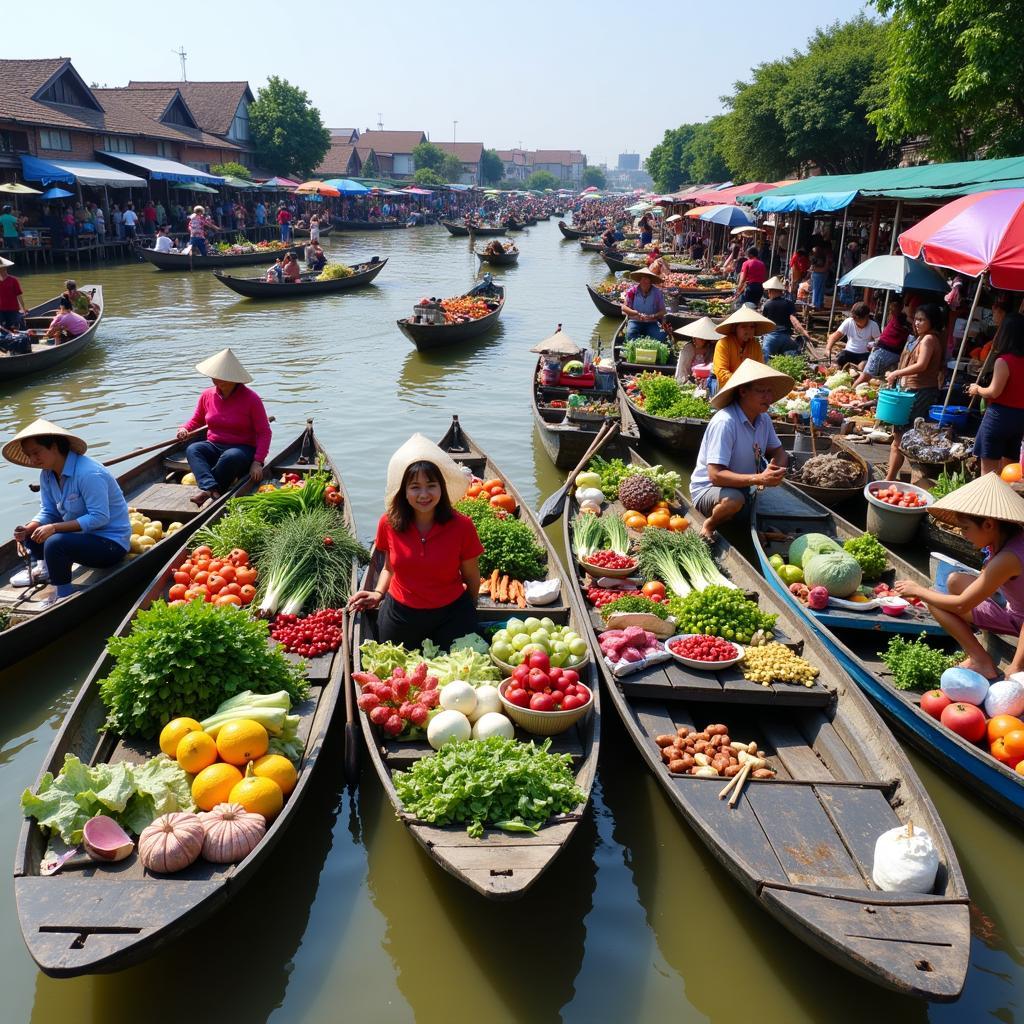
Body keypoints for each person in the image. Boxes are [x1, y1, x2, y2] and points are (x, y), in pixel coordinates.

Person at [347, 434, 482, 649]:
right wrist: (378, 593)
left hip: (451, 613)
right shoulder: (388, 523)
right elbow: (389, 569)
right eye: (415, 487)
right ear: (404, 492)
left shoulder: (462, 526)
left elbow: (472, 577)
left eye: (431, 485)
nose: (424, 494)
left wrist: (469, 609)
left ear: (442, 488)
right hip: (401, 612)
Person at [894, 474, 1024, 681]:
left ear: (989, 525)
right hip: (1012, 604)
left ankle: (980, 660)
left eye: (965, 528)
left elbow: (962, 605)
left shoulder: (1008, 558)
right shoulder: (1009, 539)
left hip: (1020, 619)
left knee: (935, 599)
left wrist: (918, 591)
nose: (963, 534)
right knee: (955, 580)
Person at [4, 419, 131, 607]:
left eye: (36, 453)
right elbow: (49, 511)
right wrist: (27, 529)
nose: (33, 460)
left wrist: (54, 528)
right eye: (28, 455)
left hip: (110, 544)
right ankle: (45, 568)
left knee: (55, 541)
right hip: (81, 537)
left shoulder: (88, 473)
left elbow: (99, 517)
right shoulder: (47, 474)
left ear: (54, 447)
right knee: (34, 529)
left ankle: (63, 595)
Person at [689, 360, 793, 541]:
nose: (768, 397)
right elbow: (715, 476)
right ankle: (710, 524)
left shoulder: (764, 419)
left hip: (744, 486)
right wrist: (759, 478)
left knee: (755, 503)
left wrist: (774, 471)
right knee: (734, 501)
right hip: (710, 489)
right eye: (761, 391)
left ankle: (751, 530)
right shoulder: (725, 422)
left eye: (770, 391)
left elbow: (779, 452)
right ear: (743, 391)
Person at [177, 348, 272, 506]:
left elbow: (264, 432)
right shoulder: (207, 395)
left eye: (222, 377)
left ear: (234, 379)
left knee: (230, 456)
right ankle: (211, 488)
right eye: (215, 376)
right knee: (193, 449)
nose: (216, 380)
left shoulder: (251, 399)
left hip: (242, 449)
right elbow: (197, 420)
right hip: (214, 445)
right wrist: (184, 429)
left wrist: (258, 461)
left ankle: (208, 491)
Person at [883, 302, 947, 481]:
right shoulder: (918, 338)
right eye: (916, 319)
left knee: (903, 438)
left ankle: (892, 479)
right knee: (898, 437)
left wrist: (896, 373)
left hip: (920, 393)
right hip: (909, 391)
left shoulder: (929, 339)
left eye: (922, 320)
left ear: (931, 322)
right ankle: (890, 477)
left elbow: (922, 365)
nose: (917, 323)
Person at [968, 313, 1024, 476]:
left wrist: (977, 389)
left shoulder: (1004, 361)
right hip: (1019, 419)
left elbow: (994, 391)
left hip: (999, 417)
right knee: (1010, 474)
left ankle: (987, 502)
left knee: (989, 476)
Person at [853, 295, 911, 386]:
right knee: (867, 378)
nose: (891, 309)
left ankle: (852, 391)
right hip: (884, 351)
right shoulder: (899, 319)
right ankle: (851, 392)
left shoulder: (903, 319)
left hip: (887, 353)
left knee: (867, 378)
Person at [712, 305, 771, 388]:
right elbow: (721, 372)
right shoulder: (723, 343)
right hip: (727, 387)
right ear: (735, 328)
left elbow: (759, 368)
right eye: (744, 326)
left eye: (752, 327)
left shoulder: (755, 344)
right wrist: (741, 384)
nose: (749, 331)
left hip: (749, 388)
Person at [760, 276, 812, 357]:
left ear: (772, 291)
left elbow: (763, 322)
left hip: (771, 336)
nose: (768, 294)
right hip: (786, 337)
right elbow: (794, 320)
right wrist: (804, 332)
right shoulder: (788, 303)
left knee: (765, 359)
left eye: (769, 292)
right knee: (792, 356)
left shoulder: (767, 304)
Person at [826, 301, 880, 368]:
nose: (855, 321)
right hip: (848, 353)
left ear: (866, 317)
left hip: (865, 355)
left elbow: (879, 342)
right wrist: (828, 349)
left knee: (862, 366)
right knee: (835, 365)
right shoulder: (849, 321)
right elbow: (835, 336)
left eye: (858, 319)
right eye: (854, 319)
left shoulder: (873, 325)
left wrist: (874, 348)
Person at [620, 268, 667, 341]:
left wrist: (652, 316)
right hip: (635, 321)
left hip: (651, 323)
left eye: (646, 279)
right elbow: (624, 307)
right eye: (642, 279)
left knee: (661, 337)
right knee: (630, 335)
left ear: (650, 281)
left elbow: (663, 311)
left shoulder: (657, 293)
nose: (643, 281)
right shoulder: (632, 291)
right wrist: (636, 313)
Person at [674, 317, 718, 382]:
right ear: (694, 337)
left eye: (705, 337)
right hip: (690, 382)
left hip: (708, 381)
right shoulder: (687, 349)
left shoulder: (711, 348)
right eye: (700, 338)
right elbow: (682, 370)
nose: (703, 340)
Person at [0, 256, 28, 330]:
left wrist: (23, 308)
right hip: (1, 310)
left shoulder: (13, 280)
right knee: (3, 329)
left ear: (5, 268)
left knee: (15, 329)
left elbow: (19, 295)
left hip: (13, 309)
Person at [809, 240, 830, 309]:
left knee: (817, 289)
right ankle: (817, 303)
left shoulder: (816, 257)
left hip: (818, 273)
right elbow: (825, 267)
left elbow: (812, 267)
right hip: (821, 273)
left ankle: (816, 303)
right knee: (819, 289)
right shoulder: (822, 256)